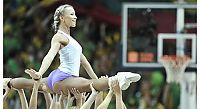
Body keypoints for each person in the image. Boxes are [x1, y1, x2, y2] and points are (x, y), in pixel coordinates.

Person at [4, 4, 141, 94]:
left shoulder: (73, 41)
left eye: (75, 14)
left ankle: (7, 82)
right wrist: (39, 73)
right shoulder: (59, 36)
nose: (75, 17)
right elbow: (50, 55)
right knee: (89, 85)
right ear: (62, 18)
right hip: (63, 78)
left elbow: (85, 63)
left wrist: (97, 79)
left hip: (59, 77)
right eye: (71, 14)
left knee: (30, 84)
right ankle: (119, 78)